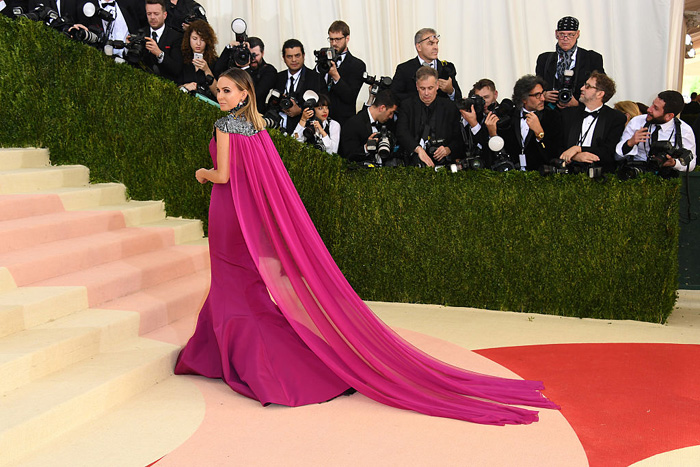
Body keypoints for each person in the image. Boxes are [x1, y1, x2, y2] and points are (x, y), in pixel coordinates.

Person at [175, 67, 558, 425]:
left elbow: (223, 174)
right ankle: (213, 352)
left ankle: (242, 360)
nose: (220, 95)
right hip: (249, 218)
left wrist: (202, 173)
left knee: (232, 285)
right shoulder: (256, 126)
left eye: (227, 90)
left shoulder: (225, 125)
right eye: (219, 90)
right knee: (244, 287)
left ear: (244, 93)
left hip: (228, 216)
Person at [559, 71, 626, 173]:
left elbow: (608, 152)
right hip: (568, 171)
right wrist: (576, 156)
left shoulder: (615, 118)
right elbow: (557, 145)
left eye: (587, 86)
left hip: (600, 175)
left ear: (600, 94)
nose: (582, 88)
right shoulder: (567, 114)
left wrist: (579, 149)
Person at [615, 90, 697, 173]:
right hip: (635, 174)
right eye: (652, 104)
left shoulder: (684, 130)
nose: (649, 109)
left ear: (669, 116)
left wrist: (674, 163)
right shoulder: (637, 122)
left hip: (666, 179)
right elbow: (617, 157)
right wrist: (630, 143)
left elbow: (691, 164)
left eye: (656, 108)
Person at [396, 66, 463, 167]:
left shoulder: (450, 106)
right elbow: (401, 132)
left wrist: (448, 149)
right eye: (423, 88)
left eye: (430, 88)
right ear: (417, 86)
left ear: (437, 86)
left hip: (444, 163)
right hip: (412, 162)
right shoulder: (407, 105)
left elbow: (459, 136)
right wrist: (418, 150)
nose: (426, 93)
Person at [535, 16, 604, 110]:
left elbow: (603, 90)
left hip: (580, 114)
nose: (565, 38)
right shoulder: (544, 59)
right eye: (562, 34)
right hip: (550, 114)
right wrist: (543, 95)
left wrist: (579, 103)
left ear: (577, 34)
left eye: (570, 34)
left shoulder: (592, 58)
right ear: (556, 34)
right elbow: (536, 87)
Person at [499, 74, 561, 171]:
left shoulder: (552, 116)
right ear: (524, 99)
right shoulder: (509, 116)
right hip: (513, 175)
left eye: (542, 93)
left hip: (541, 175)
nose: (543, 99)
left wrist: (539, 133)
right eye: (537, 95)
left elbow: (555, 153)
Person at [391, 27, 461, 103]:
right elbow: (394, 96)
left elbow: (459, 98)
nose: (435, 47)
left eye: (436, 43)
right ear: (419, 47)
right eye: (430, 44)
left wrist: (451, 91)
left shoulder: (447, 68)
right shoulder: (404, 69)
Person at [319, 20, 366, 126]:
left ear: (347, 38)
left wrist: (336, 76)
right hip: (322, 122)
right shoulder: (323, 61)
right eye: (331, 39)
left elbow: (350, 97)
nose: (334, 43)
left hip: (345, 123)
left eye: (338, 39)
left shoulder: (357, 65)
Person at [271, 38, 322, 135]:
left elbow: (322, 108)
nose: (294, 60)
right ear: (284, 58)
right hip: (279, 131)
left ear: (304, 56)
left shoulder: (315, 78)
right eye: (289, 56)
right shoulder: (278, 77)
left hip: (304, 133)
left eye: (297, 55)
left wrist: (300, 111)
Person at [215, 36, 277, 113]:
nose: (252, 59)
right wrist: (228, 48)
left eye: (255, 55)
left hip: (254, 115)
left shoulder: (268, 70)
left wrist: (246, 68)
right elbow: (217, 72)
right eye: (249, 55)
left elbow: (255, 94)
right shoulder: (236, 68)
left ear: (262, 53)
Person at [339, 89, 398, 163]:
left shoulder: (385, 124)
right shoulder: (353, 124)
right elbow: (348, 155)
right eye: (390, 113)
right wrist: (366, 148)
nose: (391, 117)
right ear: (382, 108)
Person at [142, 0, 183, 83]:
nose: (152, 17)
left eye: (156, 14)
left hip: (168, 86)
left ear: (165, 15)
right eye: (149, 14)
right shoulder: (140, 34)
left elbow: (177, 69)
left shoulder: (176, 36)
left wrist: (159, 54)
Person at [177, 19, 217, 100]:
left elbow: (218, 93)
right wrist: (185, 87)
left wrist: (207, 70)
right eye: (194, 39)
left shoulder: (214, 61)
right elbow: (175, 87)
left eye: (202, 40)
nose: (198, 43)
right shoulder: (182, 60)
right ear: (188, 39)